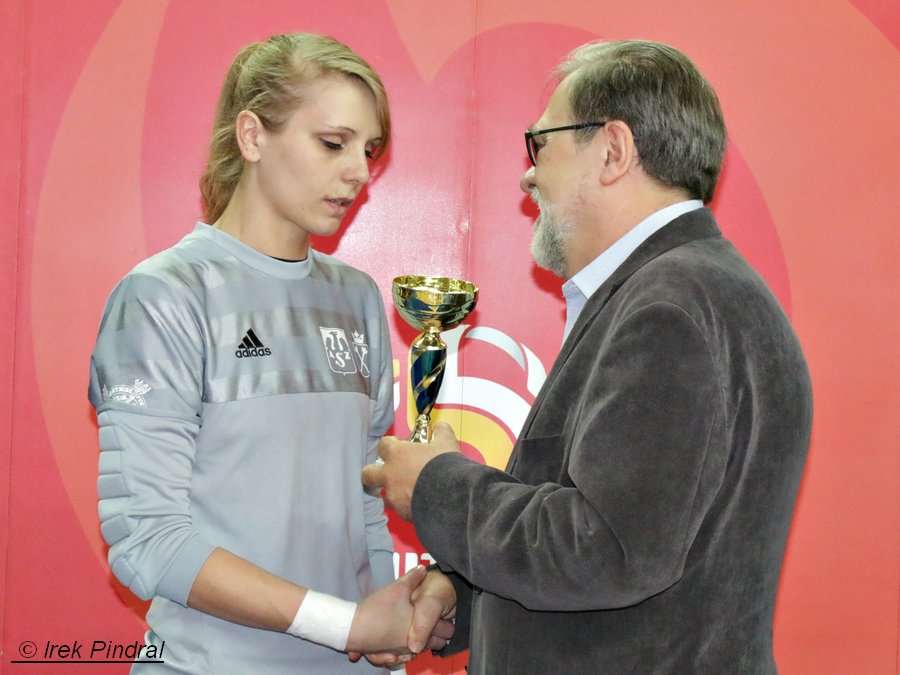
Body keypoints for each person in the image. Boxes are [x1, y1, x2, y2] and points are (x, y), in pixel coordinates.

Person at [363, 39, 813, 673]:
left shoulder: (670, 307)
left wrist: (438, 488)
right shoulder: (688, 290)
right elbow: (644, 548)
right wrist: (461, 595)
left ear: (612, 150)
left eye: (539, 144)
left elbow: (609, 548)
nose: (528, 174)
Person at [88, 33, 450, 674]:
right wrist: (346, 624)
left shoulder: (357, 298)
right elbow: (148, 539)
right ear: (252, 136)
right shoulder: (162, 295)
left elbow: (363, 496)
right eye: (333, 143)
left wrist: (384, 633)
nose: (360, 173)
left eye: (369, 150)